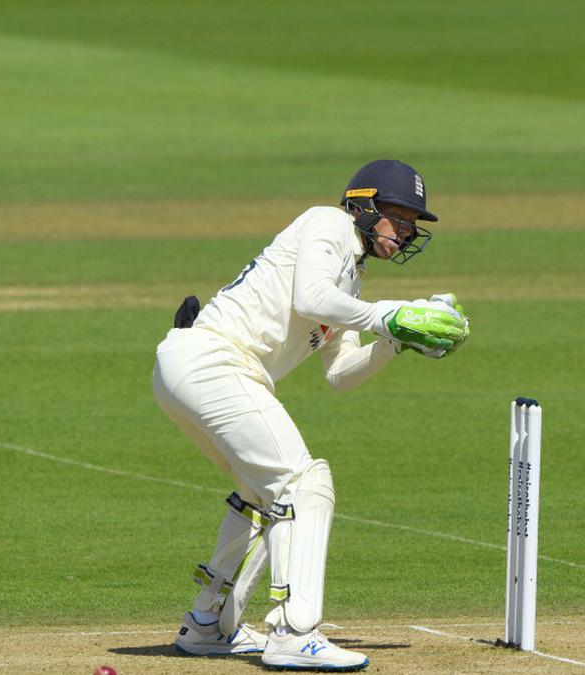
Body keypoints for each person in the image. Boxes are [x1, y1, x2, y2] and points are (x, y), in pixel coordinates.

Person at [152, 159, 470, 671]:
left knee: (262, 493)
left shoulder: (353, 277)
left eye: (413, 223)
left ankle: (207, 624)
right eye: (398, 215)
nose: (406, 230)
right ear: (362, 206)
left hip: (200, 370)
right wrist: (392, 313)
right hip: (214, 361)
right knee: (305, 482)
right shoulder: (328, 223)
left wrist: (394, 341)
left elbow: (340, 373)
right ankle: (295, 633)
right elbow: (312, 297)